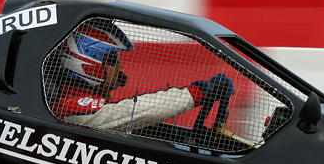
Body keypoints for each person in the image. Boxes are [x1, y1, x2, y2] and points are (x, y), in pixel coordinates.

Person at [50, 20, 234, 134]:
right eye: (113, 60)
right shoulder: (68, 105)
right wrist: (196, 93)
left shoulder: (80, 98)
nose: (120, 66)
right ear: (87, 62)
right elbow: (134, 111)